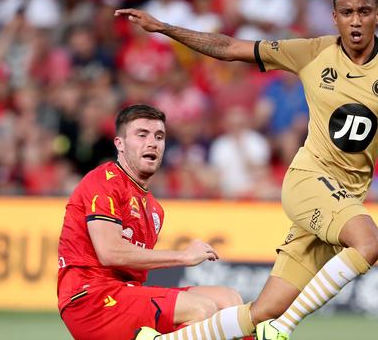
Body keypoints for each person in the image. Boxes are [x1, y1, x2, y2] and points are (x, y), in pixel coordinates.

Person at [116, 0, 378, 339]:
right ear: (334, 17)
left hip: (346, 198)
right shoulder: (311, 52)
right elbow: (227, 46)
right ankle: (284, 329)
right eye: (346, 12)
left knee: (264, 308)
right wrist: (164, 28)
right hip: (308, 181)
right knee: (370, 243)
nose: (355, 20)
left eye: (364, 12)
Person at [57, 104, 244, 340]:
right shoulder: (103, 181)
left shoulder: (154, 210)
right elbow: (110, 252)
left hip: (126, 295)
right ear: (120, 144)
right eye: (141, 135)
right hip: (89, 299)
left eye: (159, 136)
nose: (152, 143)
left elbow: (132, 268)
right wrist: (183, 256)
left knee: (229, 301)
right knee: (201, 309)